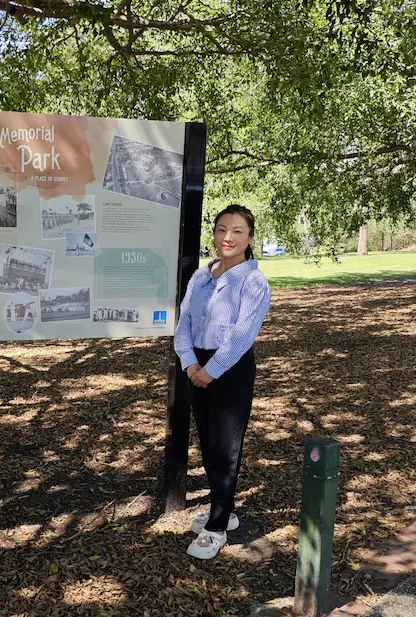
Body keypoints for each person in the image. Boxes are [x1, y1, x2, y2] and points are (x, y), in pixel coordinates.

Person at [174, 204, 271, 560]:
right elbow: (184, 322)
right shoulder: (202, 276)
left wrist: (209, 370)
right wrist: (189, 363)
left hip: (230, 371)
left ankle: (216, 528)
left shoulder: (253, 281)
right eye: (221, 229)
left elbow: (243, 335)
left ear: (249, 238)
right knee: (208, 446)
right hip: (196, 367)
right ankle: (224, 510)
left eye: (237, 231)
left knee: (225, 449)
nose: (227, 237)